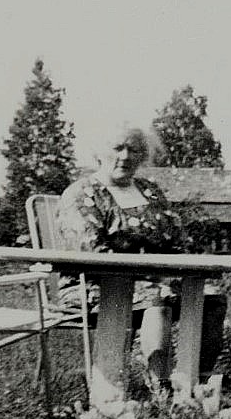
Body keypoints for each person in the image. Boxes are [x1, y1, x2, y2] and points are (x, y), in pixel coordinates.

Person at [56, 127, 191, 393]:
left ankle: (195, 384)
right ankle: (161, 388)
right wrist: (153, 275)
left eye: (135, 149)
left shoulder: (150, 191)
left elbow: (179, 241)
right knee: (159, 296)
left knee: (210, 298)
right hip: (95, 285)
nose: (126, 156)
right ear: (100, 151)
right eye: (118, 148)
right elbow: (91, 253)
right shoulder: (81, 193)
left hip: (154, 280)